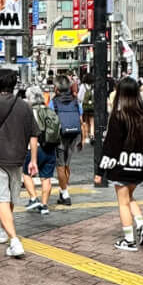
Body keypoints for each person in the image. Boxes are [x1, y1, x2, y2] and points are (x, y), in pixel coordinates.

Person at [0, 69, 38, 259]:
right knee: (9, 198)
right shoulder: (24, 106)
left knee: (2, 200)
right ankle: (4, 231)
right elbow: (34, 134)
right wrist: (33, 160)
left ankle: (14, 240)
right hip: (18, 158)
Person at [94, 76, 143, 251]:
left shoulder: (119, 116)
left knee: (122, 202)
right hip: (141, 165)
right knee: (129, 197)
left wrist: (100, 171)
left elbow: (111, 147)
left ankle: (129, 240)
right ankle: (141, 225)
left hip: (122, 165)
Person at [20, 85, 58, 216]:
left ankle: (33, 198)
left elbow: (29, 133)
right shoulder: (49, 110)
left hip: (36, 148)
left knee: (26, 174)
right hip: (51, 147)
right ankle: (45, 205)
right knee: (46, 178)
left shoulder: (30, 112)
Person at [51, 77, 82, 206]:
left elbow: (51, 120)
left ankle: (65, 194)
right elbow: (81, 120)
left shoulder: (54, 102)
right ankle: (63, 190)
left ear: (57, 89)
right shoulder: (75, 101)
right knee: (67, 165)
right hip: (74, 134)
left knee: (60, 165)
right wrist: (82, 138)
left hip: (60, 136)